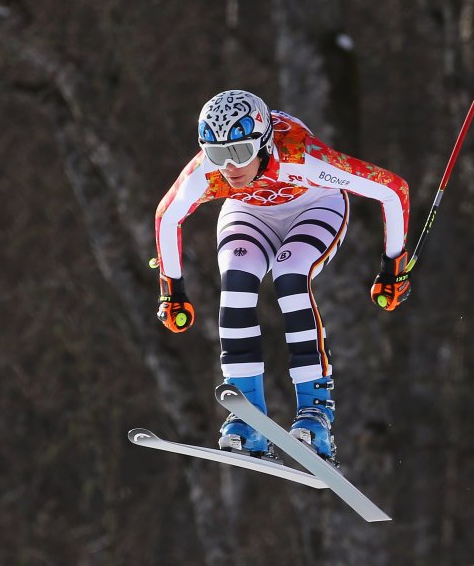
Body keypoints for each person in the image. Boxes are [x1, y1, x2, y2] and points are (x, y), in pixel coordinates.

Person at [154, 89, 412, 463]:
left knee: (290, 276)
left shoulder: (302, 157)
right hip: (248, 213)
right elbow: (167, 216)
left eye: (240, 152)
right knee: (237, 282)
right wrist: (171, 292)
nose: (229, 167)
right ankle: (247, 416)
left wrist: (394, 267)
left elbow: (392, 189)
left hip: (315, 205)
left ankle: (316, 412)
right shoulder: (207, 174)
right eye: (217, 154)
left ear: (262, 143)